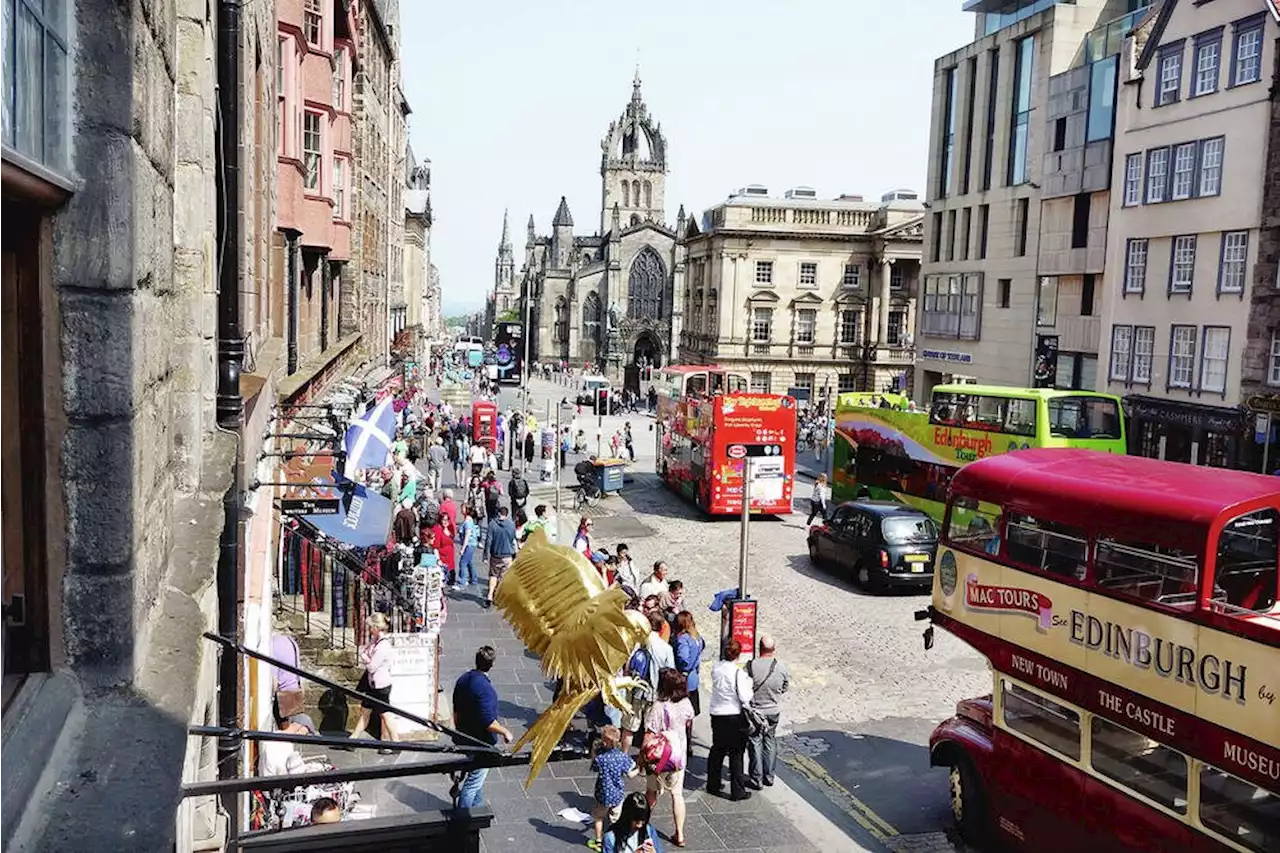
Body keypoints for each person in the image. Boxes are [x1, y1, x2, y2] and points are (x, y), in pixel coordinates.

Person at [452, 646, 513, 808]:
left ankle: (477, 810)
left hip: (463, 736)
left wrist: (457, 730)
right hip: (481, 743)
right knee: (473, 782)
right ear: (492, 664)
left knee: (475, 775)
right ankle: (463, 820)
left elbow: (456, 710)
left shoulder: (463, 679)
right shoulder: (486, 690)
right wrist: (505, 732)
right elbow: (488, 721)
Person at [644, 668, 695, 848]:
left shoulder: (658, 706)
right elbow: (688, 721)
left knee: (651, 793)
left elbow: (649, 733)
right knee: (677, 795)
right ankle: (679, 834)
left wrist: (642, 758)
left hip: (659, 758)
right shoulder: (686, 703)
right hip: (677, 757)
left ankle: (642, 826)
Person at [622, 610, 675, 752]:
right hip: (655, 692)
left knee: (629, 727)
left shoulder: (638, 643)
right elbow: (671, 673)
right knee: (650, 729)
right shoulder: (666, 648)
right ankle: (644, 763)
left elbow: (628, 665)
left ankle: (623, 757)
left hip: (636, 689)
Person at [706, 638, 752, 801]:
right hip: (733, 714)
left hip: (717, 713)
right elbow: (745, 697)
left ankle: (713, 783)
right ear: (738, 655)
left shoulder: (716, 668)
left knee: (718, 749)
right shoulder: (738, 673)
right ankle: (737, 790)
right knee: (736, 753)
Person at [745, 634, 790, 790]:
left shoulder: (751, 666)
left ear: (759, 647)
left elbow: (744, 687)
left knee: (755, 742)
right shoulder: (781, 668)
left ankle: (756, 778)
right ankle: (769, 776)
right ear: (774, 649)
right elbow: (784, 687)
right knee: (770, 741)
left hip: (756, 712)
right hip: (773, 711)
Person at [349, 613, 398, 754]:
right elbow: (364, 653)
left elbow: (371, 667)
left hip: (381, 686)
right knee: (365, 712)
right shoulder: (375, 640)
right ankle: (353, 740)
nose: (369, 629)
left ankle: (397, 743)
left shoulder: (383, 646)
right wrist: (367, 657)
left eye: (371, 627)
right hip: (373, 684)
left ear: (376, 627)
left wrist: (366, 657)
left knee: (386, 715)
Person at [589, 725, 639, 851]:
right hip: (617, 794)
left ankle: (599, 841)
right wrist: (639, 768)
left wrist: (593, 752)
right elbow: (630, 774)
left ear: (605, 741)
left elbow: (594, 767)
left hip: (603, 793)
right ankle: (616, 841)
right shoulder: (621, 756)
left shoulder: (601, 758)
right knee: (615, 819)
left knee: (599, 817)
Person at [672, 611, 706, 719]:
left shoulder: (683, 639)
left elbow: (683, 658)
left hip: (684, 678)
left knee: (682, 711)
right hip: (693, 677)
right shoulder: (696, 637)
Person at [485, 506, 518, 608]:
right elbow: (512, 538)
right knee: (503, 577)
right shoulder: (511, 525)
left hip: (495, 554)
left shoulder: (492, 524)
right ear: (506, 514)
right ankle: (499, 597)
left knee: (493, 575)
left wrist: (485, 555)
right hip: (507, 554)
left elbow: (488, 541)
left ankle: (490, 595)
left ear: (498, 513)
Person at [455, 505, 480, 590]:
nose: (461, 510)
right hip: (472, 544)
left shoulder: (467, 521)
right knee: (470, 562)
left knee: (463, 563)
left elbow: (467, 535)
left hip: (469, 544)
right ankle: (473, 579)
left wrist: (463, 548)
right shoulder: (468, 520)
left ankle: (462, 581)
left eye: (463, 508)